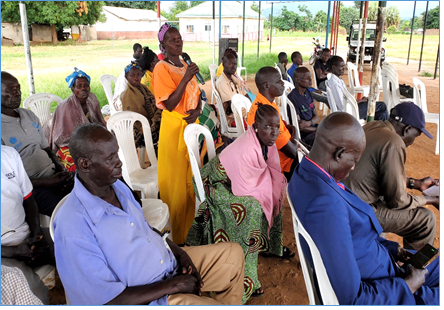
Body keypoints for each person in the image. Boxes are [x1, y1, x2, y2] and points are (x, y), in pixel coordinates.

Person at [53, 123, 245, 305]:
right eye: (110, 158)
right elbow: (105, 301)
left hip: (169, 266)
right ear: (85, 164)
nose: (119, 162)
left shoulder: (117, 187)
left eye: (117, 154)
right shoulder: (73, 225)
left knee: (232, 256)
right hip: (150, 298)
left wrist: (180, 254)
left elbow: (146, 229)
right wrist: (174, 285)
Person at [288, 112, 439, 305]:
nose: (353, 168)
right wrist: (409, 285)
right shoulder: (325, 204)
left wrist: (393, 249)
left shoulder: (305, 173)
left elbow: (354, 235)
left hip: (386, 265)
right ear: (339, 154)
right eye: (354, 161)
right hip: (389, 289)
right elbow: (354, 299)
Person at [186, 105, 291, 303]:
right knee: (251, 208)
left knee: (275, 192)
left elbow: (261, 178)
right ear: (256, 126)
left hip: (231, 183)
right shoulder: (247, 148)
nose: (274, 132)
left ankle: (261, 259)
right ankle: (241, 281)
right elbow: (242, 184)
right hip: (211, 184)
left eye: (277, 127)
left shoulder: (265, 143)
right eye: (268, 126)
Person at [344, 102, 438, 250]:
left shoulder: (373, 126)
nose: (412, 142)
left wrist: (416, 183)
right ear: (407, 129)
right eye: (416, 136)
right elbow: (398, 201)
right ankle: (413, 269)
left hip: (345, 199)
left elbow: (379, 176)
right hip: (357, 211)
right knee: (426, 219)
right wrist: (430, 199)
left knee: (392, 200)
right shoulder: (394, 142)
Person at [152, 23, 203, 244]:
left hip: (190, 127)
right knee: (176, 184)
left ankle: (190, 229)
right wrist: (185, 78)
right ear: (163, 45)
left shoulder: (184, 64)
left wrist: (198, 111)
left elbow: (198, 95)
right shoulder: (161, 69)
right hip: (174, 130)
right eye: (173, 40)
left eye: (180, 38)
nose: (178, 42)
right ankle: (175, 236)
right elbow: (170, 104)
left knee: (189, 181)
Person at [1, 71, 73, 216]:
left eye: (18, 88)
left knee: (98, 187)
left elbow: (47, 149)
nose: (17, 93)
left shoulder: (28, 115)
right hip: (32, 188)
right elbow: (8, 180)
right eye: (9, 90)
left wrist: (61, 170)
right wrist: (48, 182)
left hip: (54, 175)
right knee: (68, 213)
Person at [1, 145, 54, 304]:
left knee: (75, 247)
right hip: (3, 251)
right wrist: (15, 251)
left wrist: (37, 235)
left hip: (28, 235)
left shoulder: (9, 154)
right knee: (36, 295)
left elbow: (28, 199)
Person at [246, 67, 299, 181]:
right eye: (278, 81)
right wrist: (295, 131)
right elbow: (293, 152)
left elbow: (283, 127)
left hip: (283, 152)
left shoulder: (264, 104)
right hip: (282, 164)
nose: (282, 83)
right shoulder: (266, 115)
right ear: (266, 86)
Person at [49, 67, 106, 172]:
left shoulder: (92, 99)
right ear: (72, 89)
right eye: (79, 86)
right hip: (68, 143)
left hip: (88, 139)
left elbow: (99, 121)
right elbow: (61, 138)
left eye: (86, 85)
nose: (83, 88)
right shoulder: (66, 107)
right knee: (79, 162)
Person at [327, 56, 388, 121]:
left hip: (351, 108)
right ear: (333, 67)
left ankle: (380, 130)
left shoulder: (337, 80)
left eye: (344, 66)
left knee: (381, 114)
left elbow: (346, 100)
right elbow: (342, 106)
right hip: (348, 113)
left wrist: (360, 101)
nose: (343, 68)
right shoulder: (335, 84)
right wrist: (359, 101)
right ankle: (387, 129)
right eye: (341, 66)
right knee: (382, 106)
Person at [120, 62, 162, 154]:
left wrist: (156, 116)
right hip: (141, 132)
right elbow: (136, 121)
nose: (136, 77)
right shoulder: (128, 95)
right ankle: (157, 155)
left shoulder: (143, 88)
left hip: (150, 123)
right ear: (127, 77)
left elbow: (153, 104)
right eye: (133, 75)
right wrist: (154, 122)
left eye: (139, 75)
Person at [215, 50, 250, 128]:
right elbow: (230, 108)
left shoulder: (234, 78)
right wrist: (246, 109)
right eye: (230, 64)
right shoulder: (222, 82)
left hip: (244, 112)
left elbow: (247, 96)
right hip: (234, 118)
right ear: (224, 64)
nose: (233, 66)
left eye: (235, 64)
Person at [287, 67, 319, 146]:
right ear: (297, 80)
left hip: (313, 127)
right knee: (323, 139)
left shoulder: (307, 92)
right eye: (306, 78)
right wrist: (316, 129)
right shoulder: (293, 98)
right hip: (304, 134)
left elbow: (316, 116)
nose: (310, 80)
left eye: (310, 77)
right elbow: (300, 127)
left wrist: (309, 123)